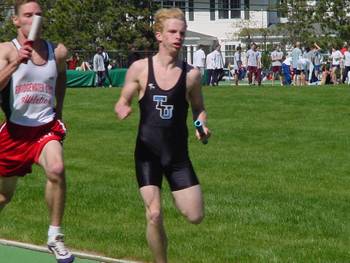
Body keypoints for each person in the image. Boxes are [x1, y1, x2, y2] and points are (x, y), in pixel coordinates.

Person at [114, 8, 210, 263]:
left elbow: (199, 109)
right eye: (172, 32)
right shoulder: (140, 69)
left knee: (195, 215)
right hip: (147, 154)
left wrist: (201, 125)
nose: (178, 36)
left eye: (182, 32)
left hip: (178, 157)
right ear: (159, 35)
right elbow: (122, 100)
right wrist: (123, 107)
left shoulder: (191, 75)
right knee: (154, 214)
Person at [0, 1, 74, 263]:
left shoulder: (58, 51)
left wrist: (59, 111)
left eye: (39, 15)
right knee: (4, 196)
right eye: (28, 15)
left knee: (56, 169)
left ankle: (55, 235)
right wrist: (15, 64)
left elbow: (62, 77)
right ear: (16, 21)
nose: (34, 19)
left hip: (45, 128)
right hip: (14, 134)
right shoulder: (6, 50)